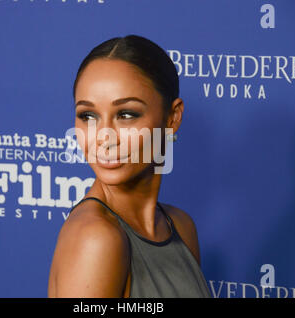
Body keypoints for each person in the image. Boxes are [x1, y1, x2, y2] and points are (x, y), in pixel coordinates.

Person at [47, 34, 211, 298]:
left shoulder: (180, 227)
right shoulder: (96, 239)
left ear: (172, 118)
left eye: (126, 115)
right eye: (87, 116)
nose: (103, 137)